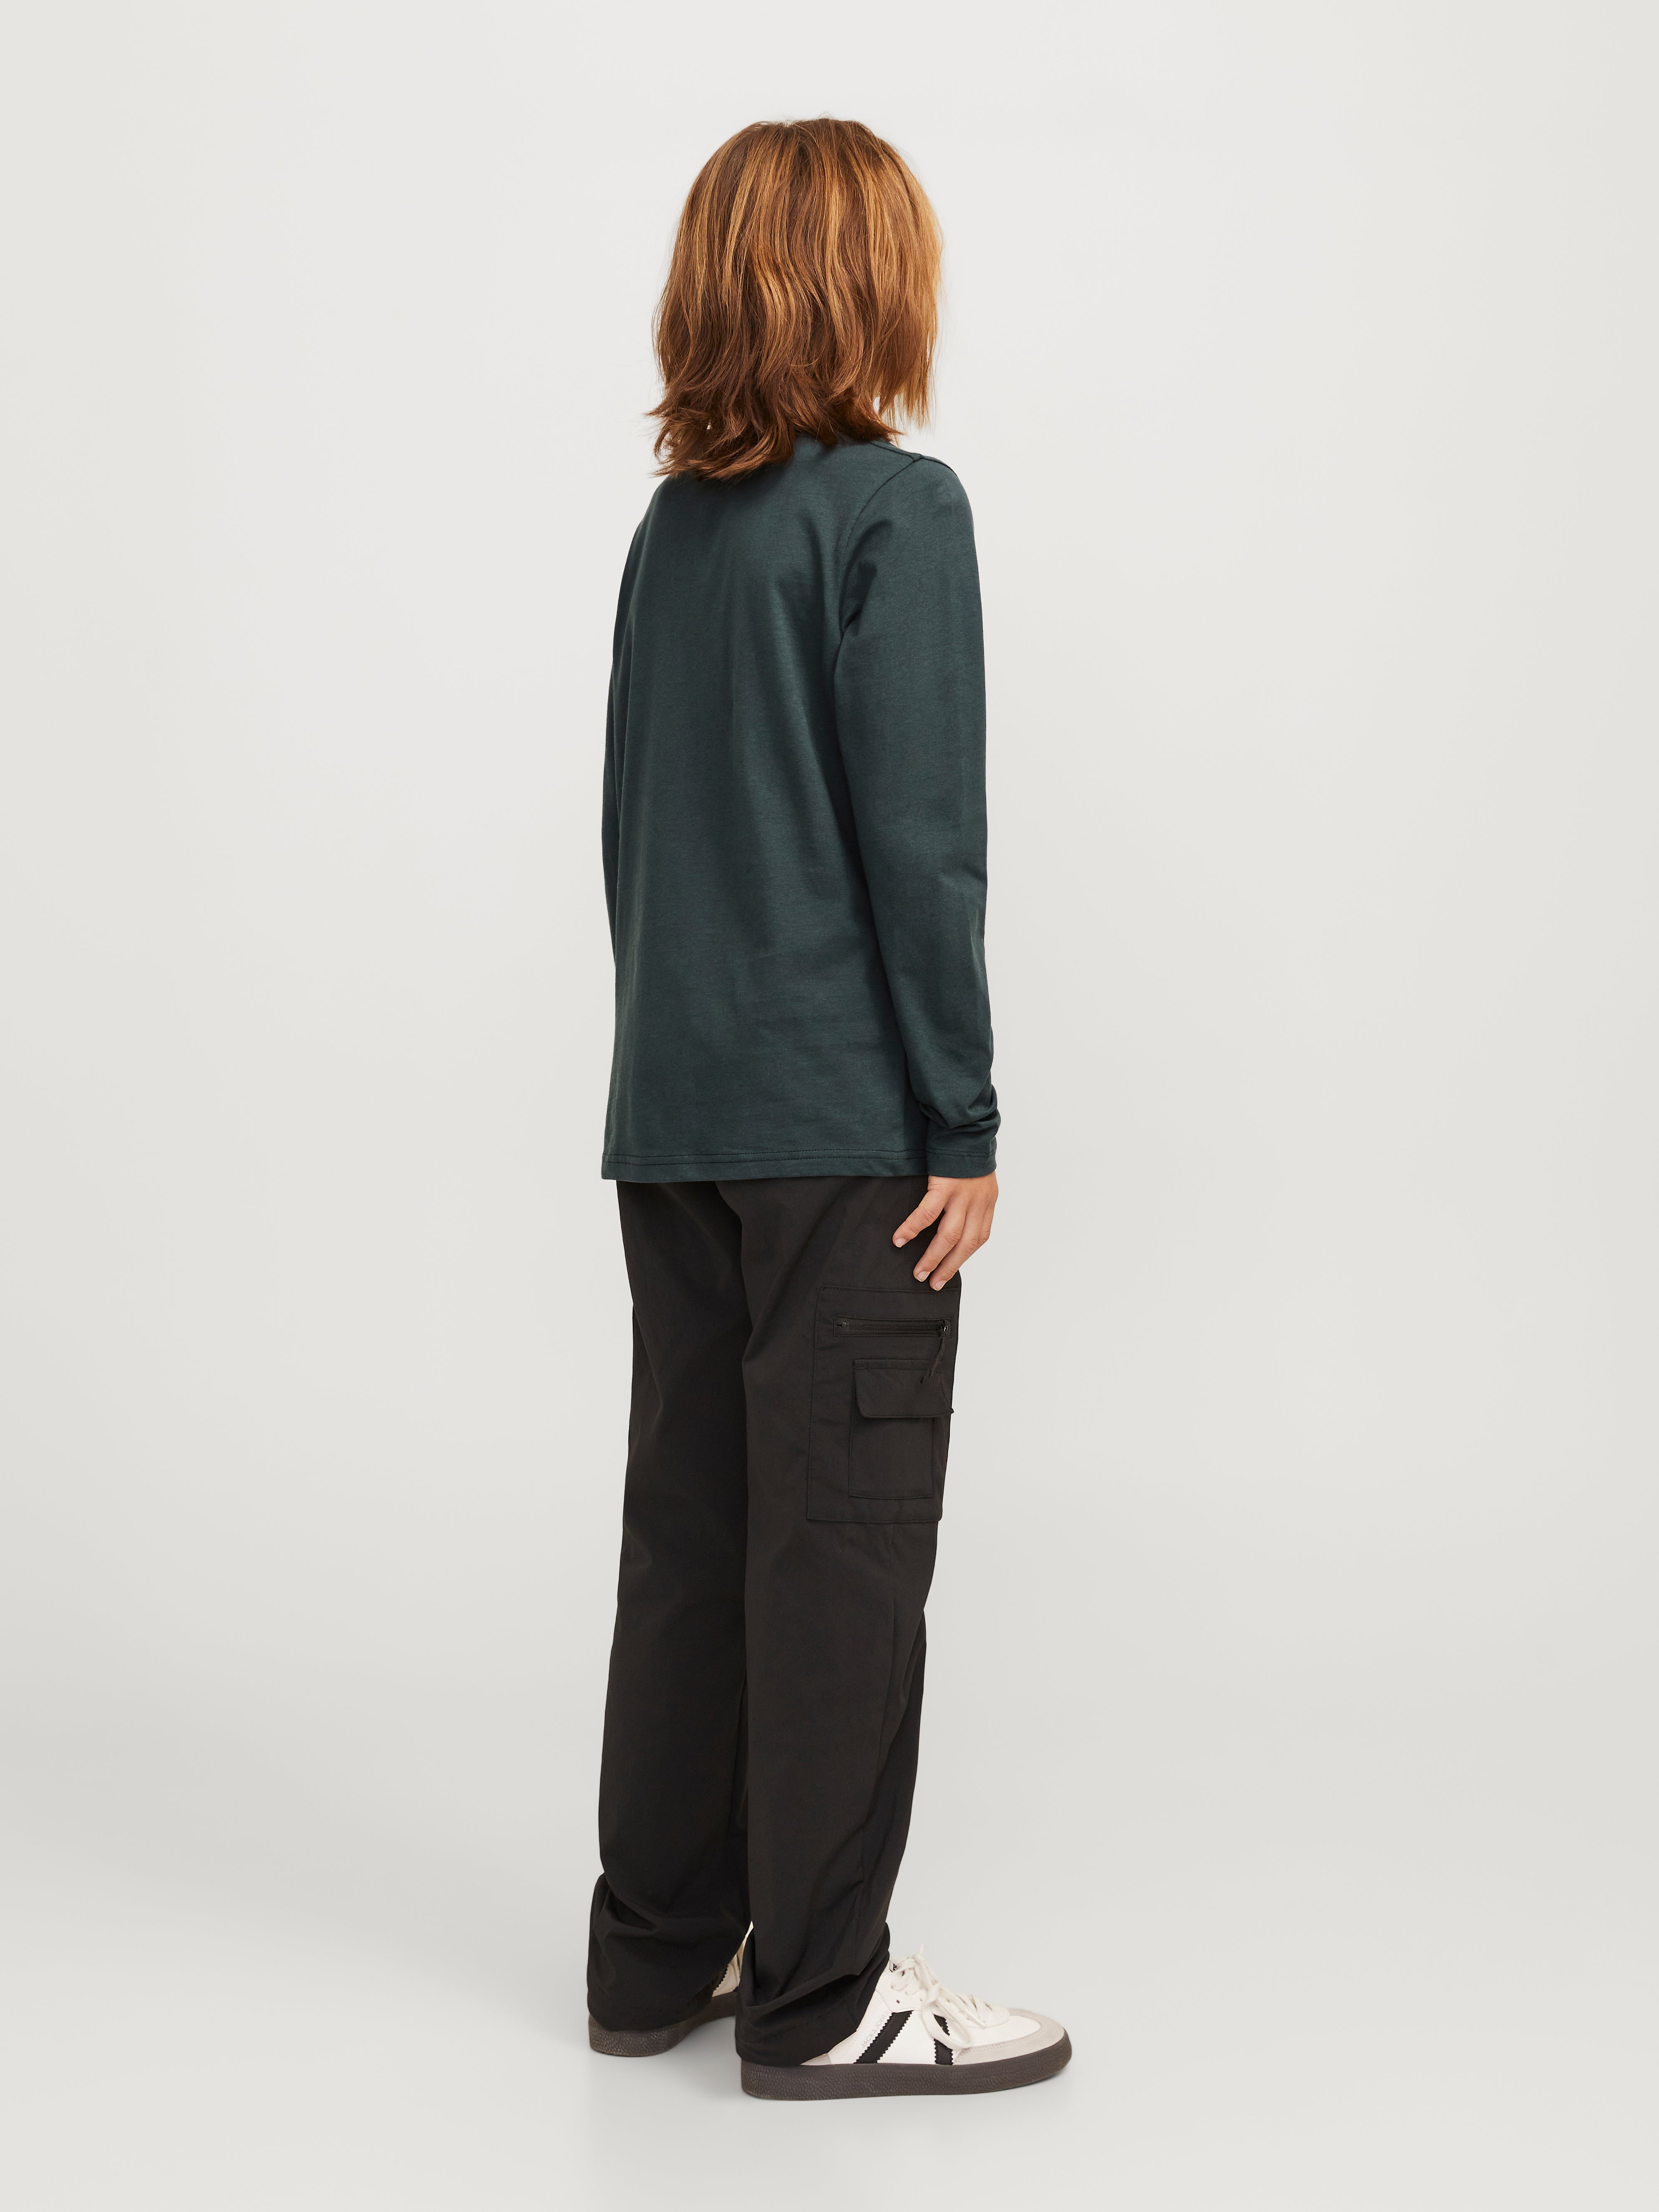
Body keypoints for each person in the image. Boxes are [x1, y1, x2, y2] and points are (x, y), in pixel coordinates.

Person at [584, 117, 1070, 2100]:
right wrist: (961, 1117)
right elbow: (919, 844)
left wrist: (672, 1066)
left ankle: (654, 1954)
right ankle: (819, 1996)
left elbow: (633, 833)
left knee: (693, 1545)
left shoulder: (673, 537)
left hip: (676, 1120)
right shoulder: (895, 511)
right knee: (841, 1558)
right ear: (875, 284)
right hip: (840, 1138)